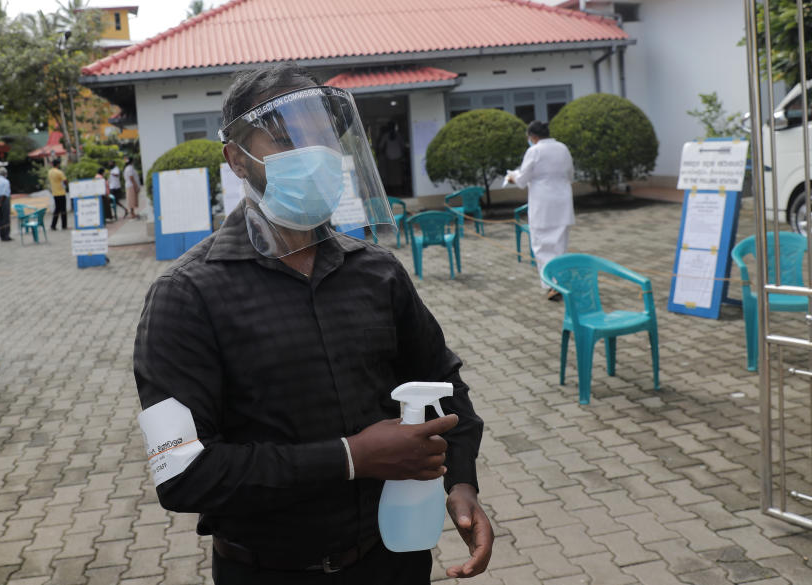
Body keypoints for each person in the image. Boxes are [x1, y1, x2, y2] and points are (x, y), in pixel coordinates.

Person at [134, 64, 492, 585]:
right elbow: (185, 475)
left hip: (392, 558)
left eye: (322, 137)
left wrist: (462, 482)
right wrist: (351, 457)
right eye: (284, 138)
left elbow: (444, 384)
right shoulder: (187, 295)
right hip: (267, 570)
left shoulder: (377, 272)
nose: (312, 154)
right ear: (237, 159)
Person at [507, 120, 575, 302]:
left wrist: (512, 177)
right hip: (563, 203)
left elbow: (522, 180)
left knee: (542, 246)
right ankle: (561, 282)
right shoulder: (563, 148)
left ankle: (552, 286)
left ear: (533, 137)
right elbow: (570, 174)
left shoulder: (534, 151)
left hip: (543, 205)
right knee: (560, 246)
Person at [48, 158, 69, 230]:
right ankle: (64, 225)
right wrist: (66, 185)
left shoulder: (50, 172)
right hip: (61, 192)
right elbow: (65, 180)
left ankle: (53, 225)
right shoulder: (59, 172)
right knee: (63, 209)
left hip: (54, 193)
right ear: (58, 164)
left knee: (57, 209)